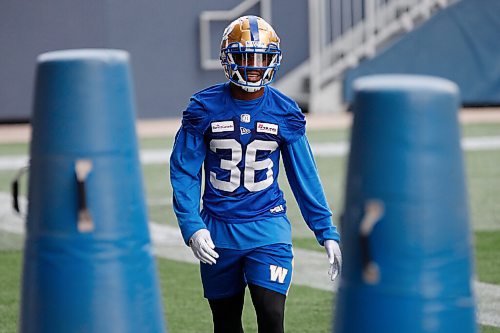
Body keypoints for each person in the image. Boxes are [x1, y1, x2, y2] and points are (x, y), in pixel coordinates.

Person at [170, 15, 341, 333]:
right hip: (218, 229)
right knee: (226, 322)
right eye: (244, 56)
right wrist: (192, 225)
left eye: (261, 57)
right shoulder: (203, 108)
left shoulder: (284, 111)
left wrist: (325, 229)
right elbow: (184, 171)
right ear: (227, 58)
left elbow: (304, 176)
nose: (253, 65)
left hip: (267, 226)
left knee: (271, 314)